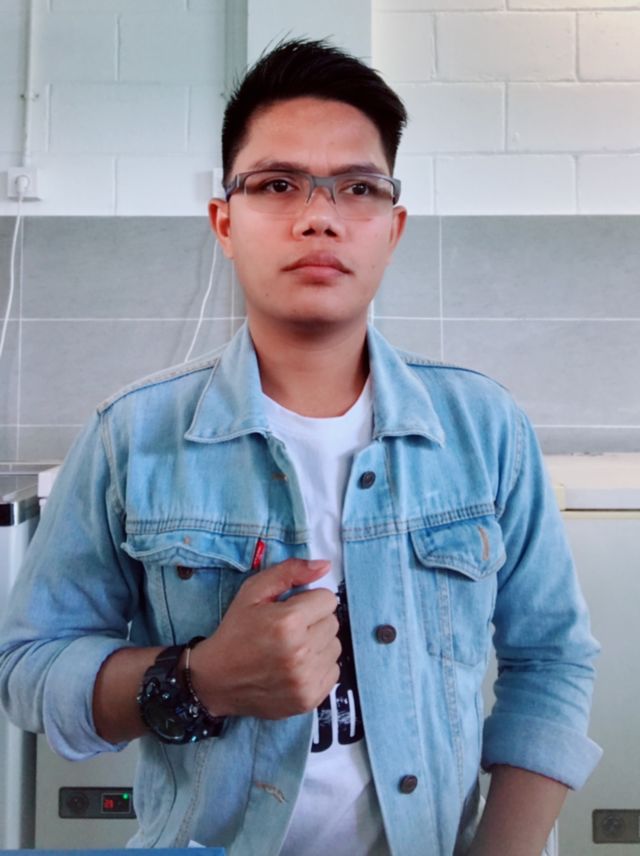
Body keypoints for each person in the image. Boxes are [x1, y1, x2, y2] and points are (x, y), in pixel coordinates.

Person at [0, 39, 601, 856]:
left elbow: (552, 661)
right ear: (224, 223)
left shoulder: (485, 429)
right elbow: (29, 668)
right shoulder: (131, 436)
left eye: (358, 188)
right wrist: (199, 679)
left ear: (392, 228)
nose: (319, 216)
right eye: (278, 184)